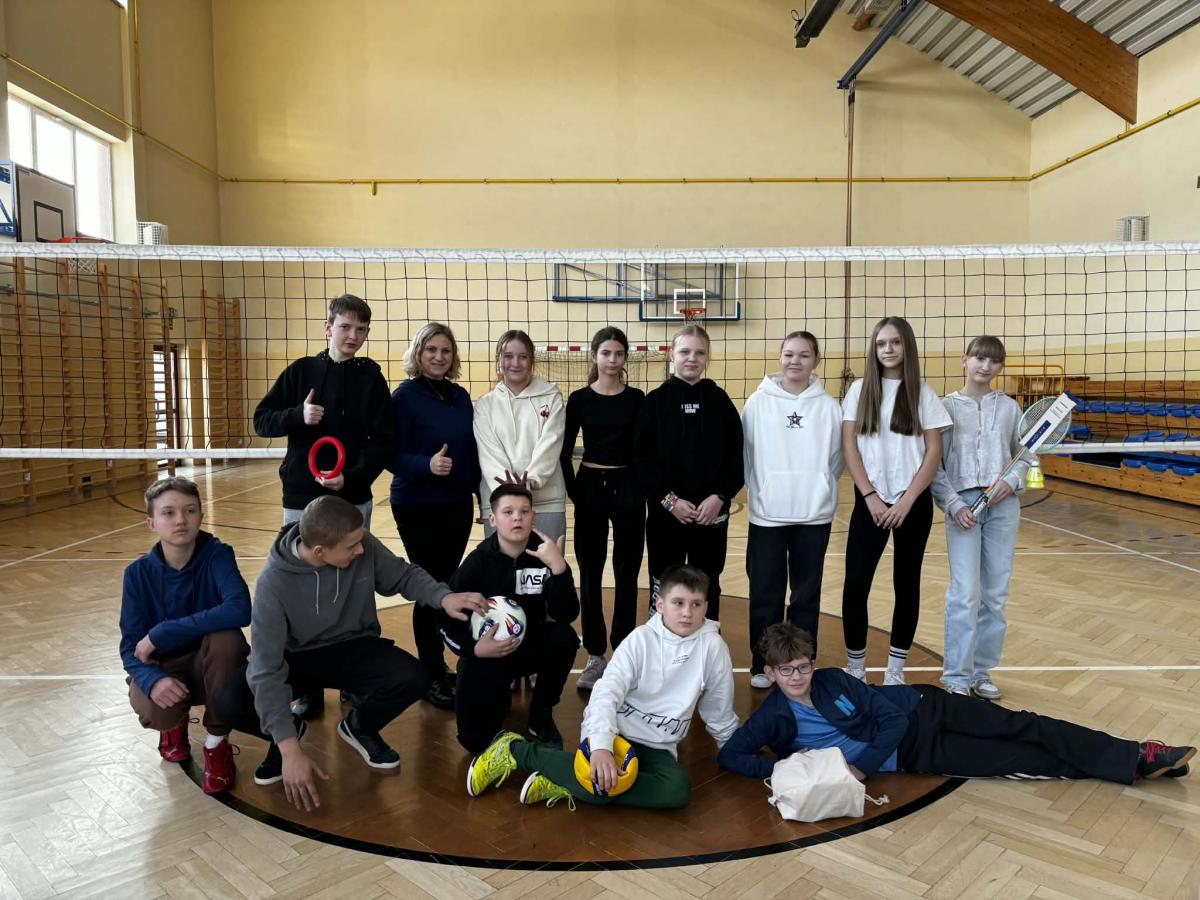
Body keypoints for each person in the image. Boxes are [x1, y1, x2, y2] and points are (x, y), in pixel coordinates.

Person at [245, 496, 487, 813]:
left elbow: (404, 575)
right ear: (319, 552)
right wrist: (290, 749)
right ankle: (286, 734)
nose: (361, 549)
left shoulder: (363, 544)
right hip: (298, 658)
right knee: (230, 700)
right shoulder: (272, 584)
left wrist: (443, 597)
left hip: (353, 646)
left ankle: (360, 726)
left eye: (361, 541)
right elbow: (266, 669)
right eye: (352, 546)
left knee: (414, 678)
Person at [719, 623, 1195, 784]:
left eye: (803, 667)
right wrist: (781, 769)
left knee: (1025, 725)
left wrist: (860, 768)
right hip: (920, 755)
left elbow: (890, 721)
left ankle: (1138, 753)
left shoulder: (834, 681)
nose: (798, 678)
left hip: (925, 709)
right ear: (771, 673)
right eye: (787, 671)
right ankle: (1129, 767)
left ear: (812, 663)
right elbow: (731, 755)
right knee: (1021, 760)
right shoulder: (773, 717)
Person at [466, 564, 739, 809]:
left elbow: (719, 708)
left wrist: (733, 748)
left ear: (706, 607)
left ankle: (568, 780)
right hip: (615, 731)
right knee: (601, 781)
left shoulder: (713, 647)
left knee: (676, 791)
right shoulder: (640, 640)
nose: (687, 613)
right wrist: (601, 747)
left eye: (696, 604)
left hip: (658, 746)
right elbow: (605, 694)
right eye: (678, 603)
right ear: (660, 604)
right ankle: (515, 751)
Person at [118, 477, 253, 794]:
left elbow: (240, 610)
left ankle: (217, 742)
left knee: (228, 639)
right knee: (155, 708)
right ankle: (173, 723)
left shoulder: (218, 555)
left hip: (209, 666)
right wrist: (153, 680)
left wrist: (164, 631)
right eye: (168, 513)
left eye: (190, 510)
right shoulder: (137, 574)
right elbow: (130, 648)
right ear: (152, 523)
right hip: (166, 668)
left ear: (201, 516)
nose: (180, 520)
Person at [841, 316, 951, 685]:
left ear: (907, 347)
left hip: (912, 504)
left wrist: (907, 501)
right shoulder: (859, 390)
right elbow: (849, 445)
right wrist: (869, 495)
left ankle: (894, 671)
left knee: (906, 585)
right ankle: (856, 667)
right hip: (870, 501)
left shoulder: (922, 393)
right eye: (881, 343)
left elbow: (933, 451)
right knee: (855, 584)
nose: (888, 349)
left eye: (895, 342)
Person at [443, 484, 580, 752]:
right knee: (472, 741)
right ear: (492, 519)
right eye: (508, 512)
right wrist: (474, 649)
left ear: (533, 518)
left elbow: (567, 614)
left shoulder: (545, 555)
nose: (517, 518)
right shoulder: (477, 564)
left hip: (530, 645)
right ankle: (497, 695)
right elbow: (447, 623)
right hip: (488, 653)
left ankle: (541, 714)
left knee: (564, 639)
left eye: (524, 511)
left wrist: (559, 568)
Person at [742, 330, 843, 690]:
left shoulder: (829, 407)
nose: (794, 361)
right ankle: (763, 664)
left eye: (803, 355)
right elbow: (747, 454)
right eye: (788, 354)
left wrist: (819, 488)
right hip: (767, 515)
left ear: (816, 361)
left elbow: (836, 459)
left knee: (805, 596)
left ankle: (800, 663)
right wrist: (764, 491)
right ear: (780, 357)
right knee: (765, 594)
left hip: (814, 516)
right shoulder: (758, 402)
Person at [931, 336, 1028, 702]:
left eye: (993, 361)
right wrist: (953, 504)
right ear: (965, 360)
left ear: (1000, 367)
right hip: (964, 509)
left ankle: (980, 672)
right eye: (979, 358)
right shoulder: (945, 408)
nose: (985, 366)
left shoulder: (1010, 408)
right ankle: (956, 675)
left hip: (1003, 507)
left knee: (995, 595)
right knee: (964, 593)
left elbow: (1026, 457)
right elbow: (934, 464)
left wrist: (1011, 481)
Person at [388, 322, 480, 710]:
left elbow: (473, 452)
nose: (439, 357)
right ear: (418, 354)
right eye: (431, 350)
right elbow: (389, 454)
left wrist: (484, 498)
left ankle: (439, 665)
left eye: (445, 350)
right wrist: (425, 464)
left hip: (456, 503)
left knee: (446, 582)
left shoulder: (459, 396)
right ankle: (430, 672)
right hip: (417, 504)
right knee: (430, 586)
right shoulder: (404, 397)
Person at [253, 294, 394, 531]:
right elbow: (261, 421)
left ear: (367, 332)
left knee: (353, 554)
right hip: (302, 494)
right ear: (328, 328)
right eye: (345, 327)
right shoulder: (301, 371)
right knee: (300, 553)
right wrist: (298, 415)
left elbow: (385, 440)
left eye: (361, 329)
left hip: (353, 495)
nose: (353, 336)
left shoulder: (371, 378)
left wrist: (351, 478)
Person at [636, 324, 743, 620]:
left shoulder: (720, 401)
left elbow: (736, 458)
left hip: (710, 513)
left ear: (708, 357)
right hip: (667, 512)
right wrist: (670, 501)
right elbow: (642, 459)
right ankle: (660, 637)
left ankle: (708, 639)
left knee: (708, 581)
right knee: (664, 579)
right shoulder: (655, 402)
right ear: (672, 355)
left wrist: (720, 496)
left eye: (699, 353)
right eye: (685, 351)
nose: (692, 358)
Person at [560, 327, 646, 691]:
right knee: (591, 571)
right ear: (594, 356)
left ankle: (623, 649)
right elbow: (564, 451)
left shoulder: (637, 399)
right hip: (591, 487)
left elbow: (644, 448)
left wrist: (639, 488)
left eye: (618, 353)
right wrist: (576, 492)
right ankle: (595, 653)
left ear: (625, 358)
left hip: (627, 486)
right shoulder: (579, 399)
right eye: (606, 353)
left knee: (627, 572)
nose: (612, 360)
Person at [474, 329, 568, 542]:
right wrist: (507, 487)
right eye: (508, 356)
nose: (515, 363)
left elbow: (551, 442)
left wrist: (533, 478)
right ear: (499, 359)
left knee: (547, 562)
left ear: (531, 359)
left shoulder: (552, 396)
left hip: (546, 502)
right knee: (501, 564)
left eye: (522, 356)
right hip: (500, 502)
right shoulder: (485, 405)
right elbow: (488, 451)